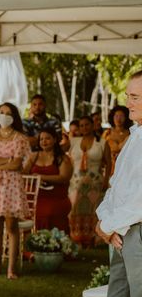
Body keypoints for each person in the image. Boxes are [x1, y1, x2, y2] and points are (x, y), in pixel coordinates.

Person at [91, 71, 142, 297]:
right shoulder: (134, 135)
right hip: (120, 230)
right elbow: (117, 186)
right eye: (128, 95)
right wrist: (102, 223)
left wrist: (112, 225)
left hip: (135, 228)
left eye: (135, 97)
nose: (128, 102)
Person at [0, 102, 30, 279]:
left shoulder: (19, 138)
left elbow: (17, 163)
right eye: (1, 112)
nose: (3, 115)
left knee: (11, 225)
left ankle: (11, 268)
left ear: (14, 116)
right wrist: (5, 162)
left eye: (8, 113)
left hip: (11, 185)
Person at [68, 115, 111, 247]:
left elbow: (109, 163)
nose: (84, 128)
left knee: (93, 210)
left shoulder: (102, 142)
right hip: (75, 182)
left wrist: (106, 180)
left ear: (93, 125)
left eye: (87, 125)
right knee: (74, 209)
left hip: (95, 182)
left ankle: (93, 239)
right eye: (81, 125)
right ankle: (76, 238)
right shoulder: (73, 141)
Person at [23, 127, 72, 232]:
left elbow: (64, 177)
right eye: (41, 139)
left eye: (47, 138)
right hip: (35, 196)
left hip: (55, 197)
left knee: (49, 211)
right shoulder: (34, 156)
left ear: (55, 140)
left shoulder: (62, 158)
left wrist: (40, 177)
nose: (44, 141)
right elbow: (24, 174)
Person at [102, 105, 132, 174]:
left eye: (121, 116)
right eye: (116, 116)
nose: (118, 119)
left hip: (126, 168)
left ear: (126, 118)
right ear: (112, 117)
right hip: (108, 167)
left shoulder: (131, 133)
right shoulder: (107, 133)